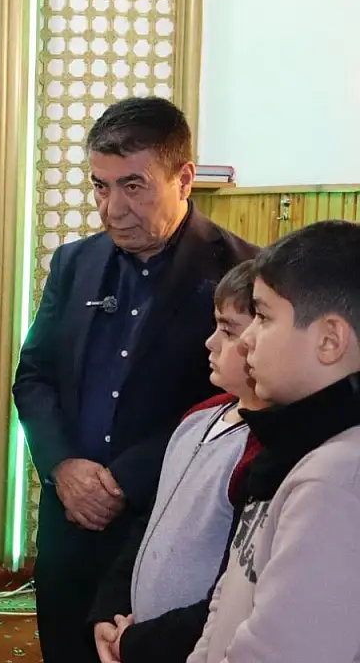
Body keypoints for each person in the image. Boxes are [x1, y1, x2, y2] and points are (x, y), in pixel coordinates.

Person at [12, 96, 258, 663]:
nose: (112, 209)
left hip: (172, 522)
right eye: (100, 187)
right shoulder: (73, 263)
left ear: (184, 178)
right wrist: (63, 466)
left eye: (133, 186)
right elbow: (35, 376)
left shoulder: (242, 272)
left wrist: (124, 479)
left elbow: (236, 401)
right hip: (70, 516)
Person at [187, 221, 360, 663]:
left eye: (263, 317)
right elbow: (228, 598)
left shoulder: (337, 480)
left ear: (329, 340)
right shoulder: (291, 443)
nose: (247, 340)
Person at [88, 260, 268, 663]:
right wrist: (110, 608)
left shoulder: (263, 450)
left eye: (228, 331)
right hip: (138, 633)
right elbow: (150, 524)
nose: (210, 342)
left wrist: (138, 643)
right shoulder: (198, 418)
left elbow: (233, 591)